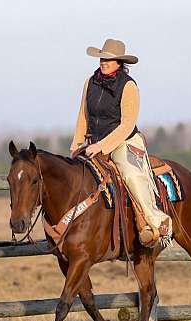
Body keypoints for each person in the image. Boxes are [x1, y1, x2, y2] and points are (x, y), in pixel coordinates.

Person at [70, 38, 172, 247]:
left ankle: (157, 221)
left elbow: (127, 124)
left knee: (131, 174)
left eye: (109, 59)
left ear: (119, 62)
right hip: (93, 142)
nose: (104, 62)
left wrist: (102, 146)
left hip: (123, 141)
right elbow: (83, 116)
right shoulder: (90, 82)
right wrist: (76, 143)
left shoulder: (128, 86)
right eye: (102, 58)